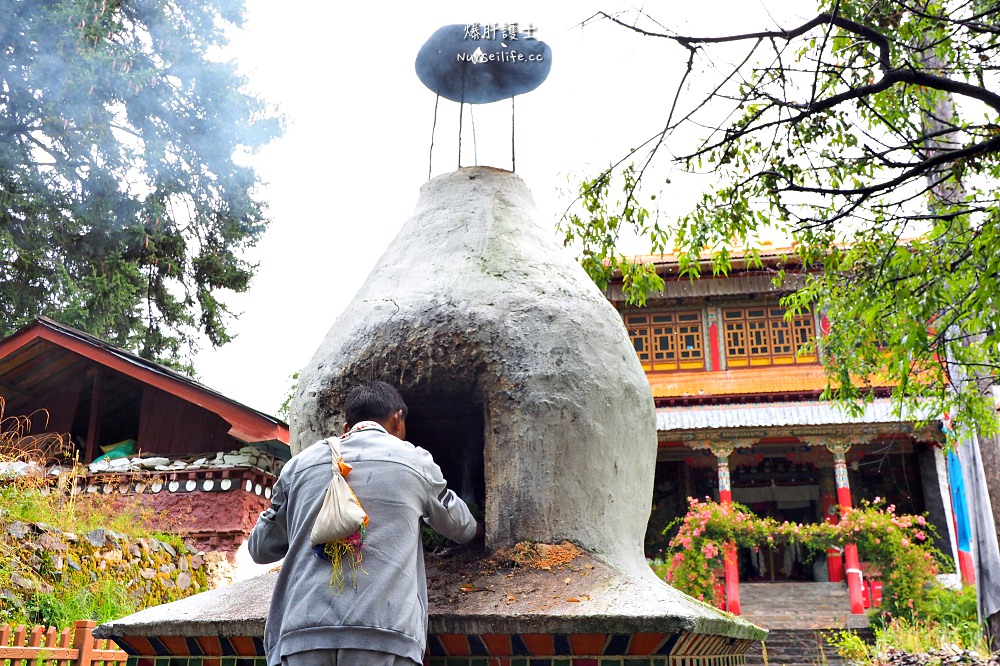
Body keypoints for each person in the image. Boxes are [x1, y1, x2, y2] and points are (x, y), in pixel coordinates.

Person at [248, 381, 478, 666]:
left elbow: (260, 548)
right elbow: (463, 528)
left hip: (302, 636)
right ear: (398, 418)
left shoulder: (298, 465)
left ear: (346, 427)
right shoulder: (416, 461)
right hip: (383, 637)